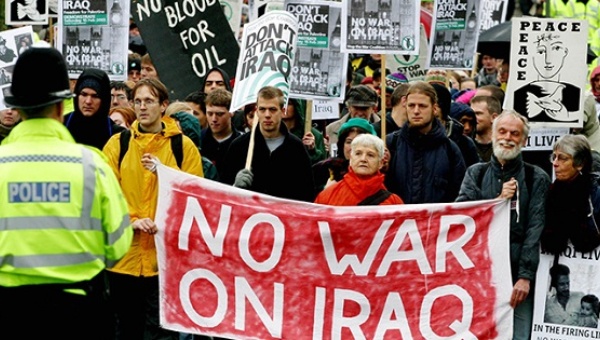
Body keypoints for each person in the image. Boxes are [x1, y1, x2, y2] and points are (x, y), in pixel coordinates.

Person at [0, 45, 132, 339]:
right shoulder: (92, 166)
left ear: (17, 108)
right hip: (79, 313)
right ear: (62, 106)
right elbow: (119, 246)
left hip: (8, 311)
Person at [102, 78, 203, 340]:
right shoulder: (117, 145)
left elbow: (196, 199)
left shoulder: (183, 147)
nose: (142, 107)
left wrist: (166, 172)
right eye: (138, 101)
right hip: (124, 261)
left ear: (163, 105)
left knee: (160, 334)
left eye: (149, 101)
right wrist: (131, 221)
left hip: (165, 262)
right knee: (126, 331)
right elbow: (105, 197)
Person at [456, 110, 551, 339]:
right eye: (502, 131)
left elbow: (535, 229)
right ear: (493, 135)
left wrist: (525, 277)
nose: (508, 137)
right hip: (480, 275)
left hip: (517, 278)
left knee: (519, 335)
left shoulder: (536, 177)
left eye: (515, 133)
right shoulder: (475, 174)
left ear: (524, 140)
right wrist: (498, 201)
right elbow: (463, 219)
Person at [222, 86, 315, 202]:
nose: (267, 115)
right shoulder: (239, 146)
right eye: (262, 109)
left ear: (282, 112)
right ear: (257, 112)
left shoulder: (296, 148)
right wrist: (235, 187)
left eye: (272, 109)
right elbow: (222, 193)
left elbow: (307, 194)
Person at [385, 81, 466, 204]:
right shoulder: (391, 144)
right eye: (411, 105)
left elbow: (459, 195)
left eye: (422, 106)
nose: (416, 111)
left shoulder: (450, 150)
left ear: (434, 109)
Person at [541, 134, 600, 254]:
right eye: (554, 157)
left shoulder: (595, 194)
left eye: (562, 158)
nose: (555, 163)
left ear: (580, 164)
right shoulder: (551, 191)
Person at [315, 133, 403, 205]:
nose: (363, 159)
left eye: (370, 155)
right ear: (351, 158)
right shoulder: (326, 197)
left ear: (380, 163)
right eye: (358, 153)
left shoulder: (394, 203)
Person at [513, 33, 581, 122]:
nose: (548, 60)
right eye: (541, 51)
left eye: (556, 48)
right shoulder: (516, 95)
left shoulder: (578, 95)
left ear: (565, 52)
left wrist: (568, 117)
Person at [64, 68, 125, 150]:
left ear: (104, 100)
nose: (88, 101)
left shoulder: (118, 135)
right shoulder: (61, 125)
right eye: (84, 94)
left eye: (95, 96)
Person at [201, 88, 241, 178]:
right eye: (210, 114)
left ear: (231, 112)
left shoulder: (242, 143)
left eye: (219, 114)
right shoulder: (198, 140)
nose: (214, 119)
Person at [283, 98, 327, 164]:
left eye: (289, 103)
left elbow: (322, 166)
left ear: (298, 107)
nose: (283, 107)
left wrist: (312, 151)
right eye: (281, 103)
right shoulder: (270, 132)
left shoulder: (313, 135)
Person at [470, 95, 501, 162]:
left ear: (494, 117)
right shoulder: (465, 145)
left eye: (478, 113)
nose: (472, 117)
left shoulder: (504, 146)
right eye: (471, 113)